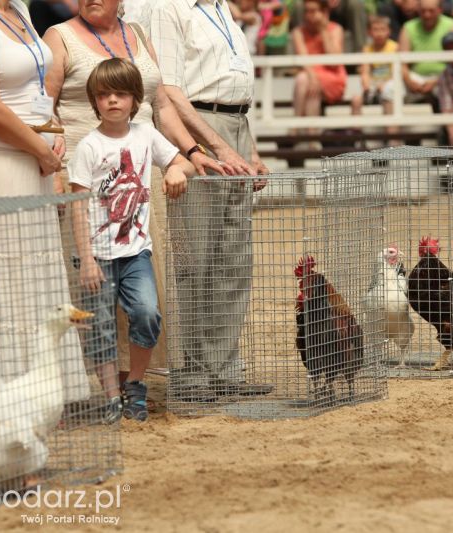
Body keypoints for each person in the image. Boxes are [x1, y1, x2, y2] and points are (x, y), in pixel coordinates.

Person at [42, 0, 225, 400]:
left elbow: (160, 106)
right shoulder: (59, 37)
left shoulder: (137, 34)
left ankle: (133, 382)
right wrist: (53, 170)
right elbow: (44, 105)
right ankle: (108, 390)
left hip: (142, 173)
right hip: (86, 176)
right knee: (93, 289)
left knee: (143, 289)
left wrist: (190, 155)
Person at [0, 0, 92, 402]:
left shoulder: (21, 12)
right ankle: (8, 393)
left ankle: (45, 390)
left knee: (39, 278)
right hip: (2, 162)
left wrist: (53, 131)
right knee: (6, 281)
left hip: (37, 163)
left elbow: (36, 88)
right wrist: (42, 148)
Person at [151, 0, 272, 401]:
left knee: (234, 258)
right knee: (195, 259)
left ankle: (225, 369)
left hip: (236, 122)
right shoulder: (171, 9)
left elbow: (235, 92)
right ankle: (192, 371)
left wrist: (249, 150)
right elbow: (169, 91)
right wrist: (217, 147)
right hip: (198, 129)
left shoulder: (225, 10)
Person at [70, 58, 194, 422]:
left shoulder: (145, 135)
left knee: (146, 313)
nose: (112, 101)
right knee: (102, 326)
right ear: (94, 101)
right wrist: (87, 259)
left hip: (135, 251)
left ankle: (135, 385)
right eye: (104, 94)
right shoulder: (88, 147)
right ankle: (111, 397)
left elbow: (184, 161)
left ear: (135, 99)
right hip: (98, 254)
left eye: (121, 94)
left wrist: (174, 168)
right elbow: (78, 206)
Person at [391, 0, 453, 114]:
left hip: (443, 77)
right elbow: (401, 62)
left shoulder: (452, 26)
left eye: (431, 11)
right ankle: (393, 130)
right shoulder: (408, 27)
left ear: (440, 10)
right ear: (418, 10)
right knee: (389, 90)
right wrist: (409, 81)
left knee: (447, 88)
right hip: (415, 77)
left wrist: (436, 81)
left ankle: (448, 129)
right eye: (423, 11)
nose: (427, 15)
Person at [291, 0, 346, 133]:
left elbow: (334, 62)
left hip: (332, 76)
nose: (309, 15)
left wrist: (323, 30)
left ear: (324, 12)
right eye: (307, 11)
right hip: (309, 75)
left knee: (305, 80)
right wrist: (313, 77)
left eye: (313, 11)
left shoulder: (336, 29)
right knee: (305, 81)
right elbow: (303, 59)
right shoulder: (298, 32)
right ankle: (309, 134)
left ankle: (296, 128)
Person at [351, 15, 398, 141]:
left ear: (389, 31)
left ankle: (392, 140)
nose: (379, 33)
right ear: (369, 32)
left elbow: (395, 73)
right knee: (356, 100)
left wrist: (383, 85)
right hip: (373, 87)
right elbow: (365, 72)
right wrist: (366, 86)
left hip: (390, 86)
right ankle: (357, 139)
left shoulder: (394, 47)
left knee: (388, 94)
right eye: (375, 29)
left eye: (382, 29)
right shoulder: (367, 49)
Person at [289, 0, 369, 52]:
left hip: (341, 7)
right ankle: (300, 49)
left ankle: (361, 52)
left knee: (356, 3)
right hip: (317, 3)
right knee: (298, 5)